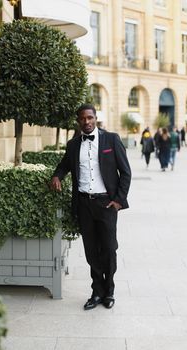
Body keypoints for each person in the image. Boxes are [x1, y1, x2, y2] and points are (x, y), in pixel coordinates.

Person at [51, 104, 131, 310]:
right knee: (91, 251)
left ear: (96, 118)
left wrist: (118, 200)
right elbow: (64, 165)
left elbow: (126, 172)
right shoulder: (73, 144)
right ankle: (97, 291)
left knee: (109, 248)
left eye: (89, 118)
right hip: (84, 204)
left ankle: (109, 290)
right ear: (78, 121)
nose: (86, 122)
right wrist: (57, 176)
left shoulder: (111, 140)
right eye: (82, 119)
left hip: (106, 203)